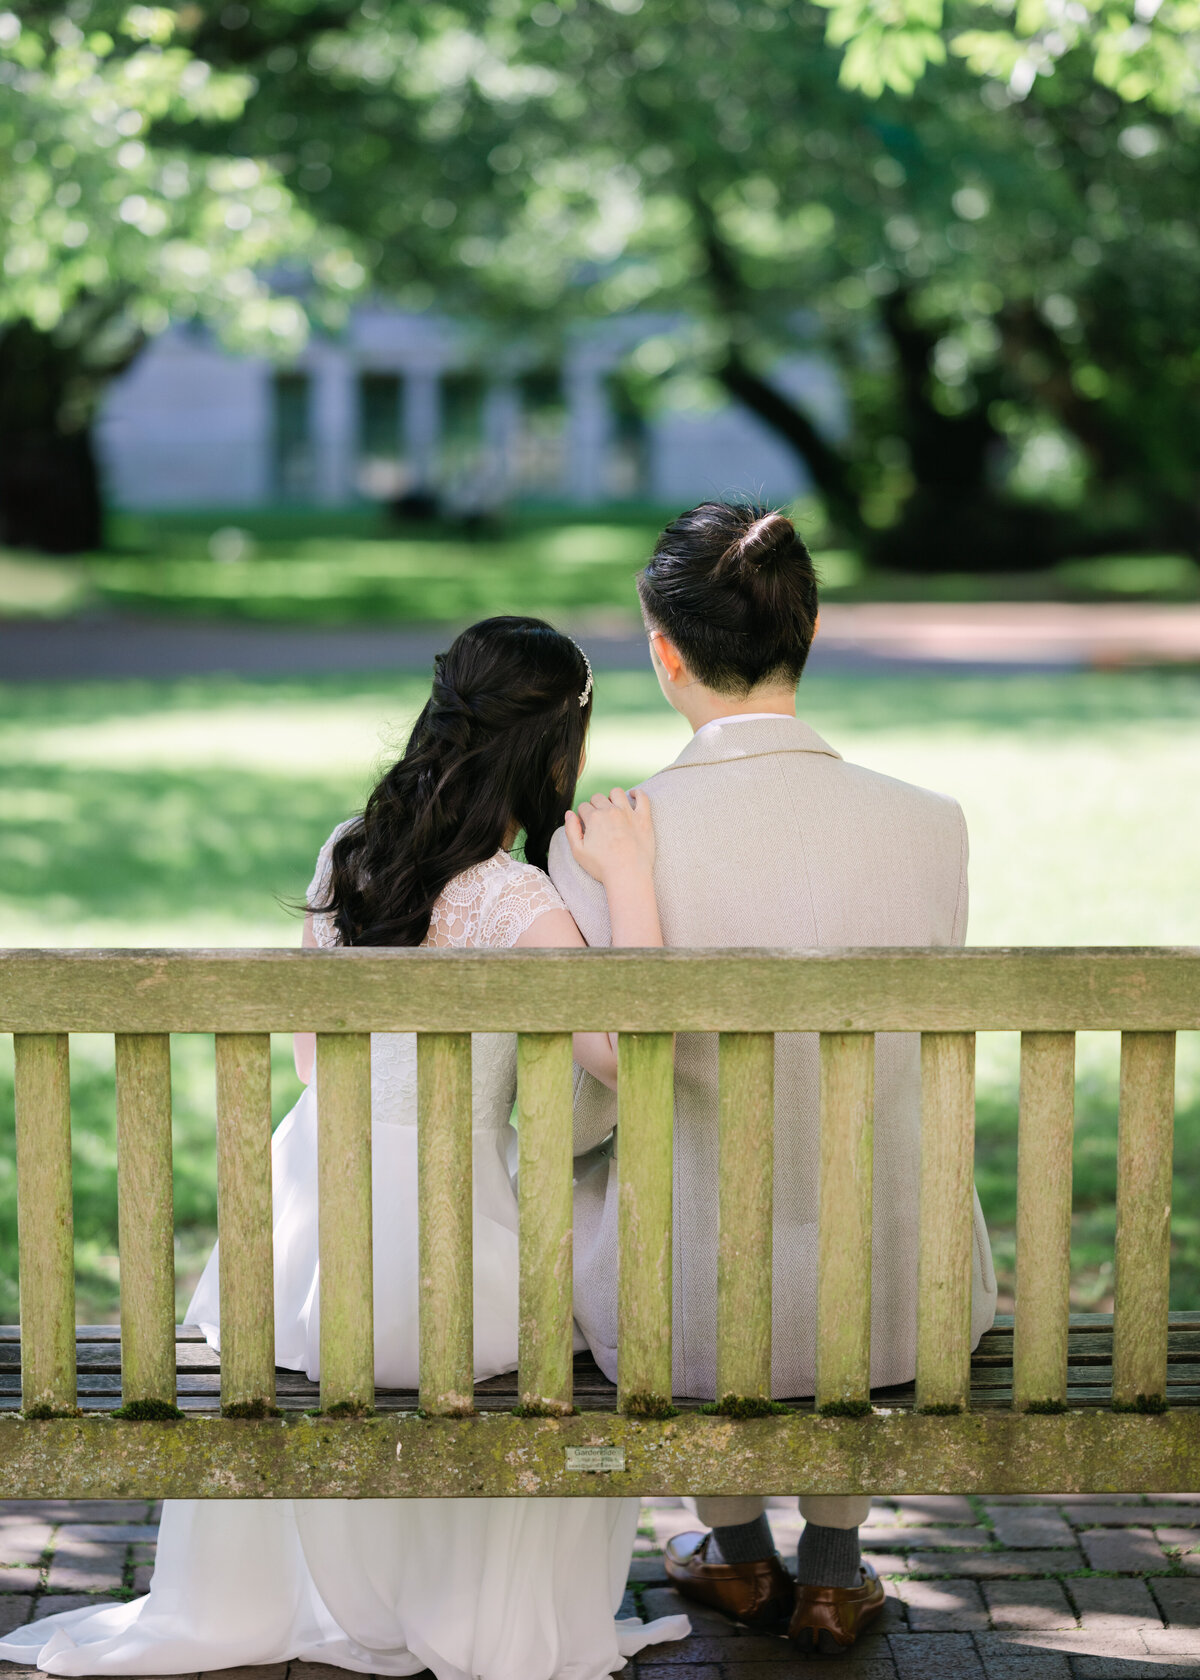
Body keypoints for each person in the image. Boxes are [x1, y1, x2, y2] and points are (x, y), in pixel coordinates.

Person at [0, 616, 687, 1680]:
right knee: (578, 1332)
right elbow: (624, 1053)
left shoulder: (348, 851)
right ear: (559, 752)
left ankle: (331, 1594)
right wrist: (631, 873)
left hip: (302, 1260)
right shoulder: (519, 901)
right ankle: (460, 1601)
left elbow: (318, 1069)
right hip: (452, 1269)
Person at [548, 503, 998, 1657]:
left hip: (684, 1318)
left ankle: (737, 1549)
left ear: (665, 652)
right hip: (905, 1300)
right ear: (808, 630)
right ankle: (836, 1571)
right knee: (847, 1170)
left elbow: (593, 1101)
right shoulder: (932, 827)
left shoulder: (605, 835)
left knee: (625, 1178)